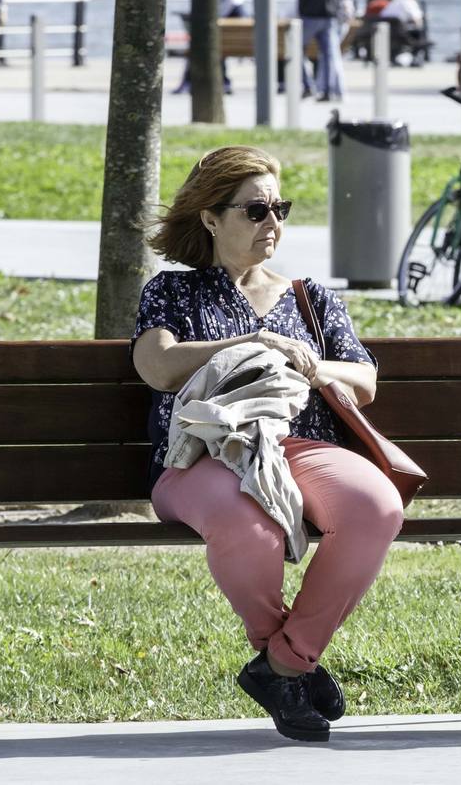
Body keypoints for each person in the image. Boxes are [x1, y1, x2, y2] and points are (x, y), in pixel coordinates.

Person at [131, 146, 403, 742]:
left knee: (375, 508)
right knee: (249, 525)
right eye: (255, 211)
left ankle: (282, 664)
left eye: (279, 208)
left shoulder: (309, 296)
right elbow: (156, 365)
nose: (272, 224)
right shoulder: (176, 292)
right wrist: (253, 343)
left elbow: (366, 380)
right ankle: (294, 666)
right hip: (204, 453)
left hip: (300, 444)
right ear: (211, 217)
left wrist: (309, 364)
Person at [173, 0, 248, 96]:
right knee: (213, 49)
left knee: (198, 49)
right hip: (229, 42)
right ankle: (224, 82)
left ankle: (187, 82)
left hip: (223, 42)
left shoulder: (231, 2)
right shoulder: (235, 0)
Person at [297, 0, 351, 102]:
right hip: (329, 17)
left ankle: (308, 85)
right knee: (329, 55)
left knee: (297, 49)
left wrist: (302, 10)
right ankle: (328, 91)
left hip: (310, 17)